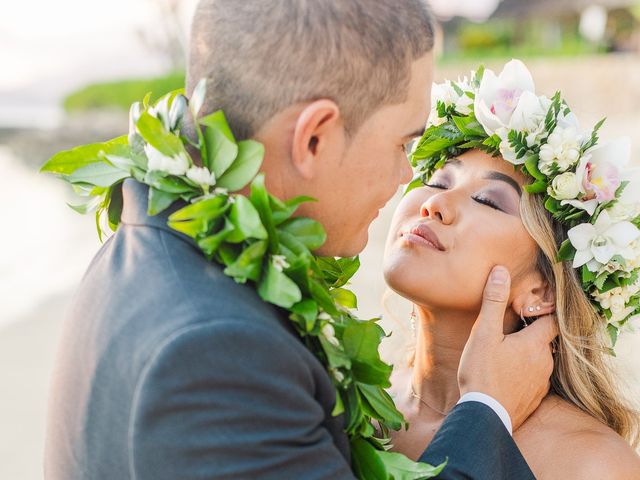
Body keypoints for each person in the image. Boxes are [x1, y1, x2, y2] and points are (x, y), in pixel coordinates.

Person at [44, 2, 556, 478]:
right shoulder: (221, 354)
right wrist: (488, 409)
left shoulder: (145, 247)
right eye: (403, 142)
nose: (407, 177)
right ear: (314, 137)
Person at [384, 63, 640, 479]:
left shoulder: (589, 464)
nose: (435, 204)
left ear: (542, 291)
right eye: (437, 180)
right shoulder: (345, 406)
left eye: (487, 200)